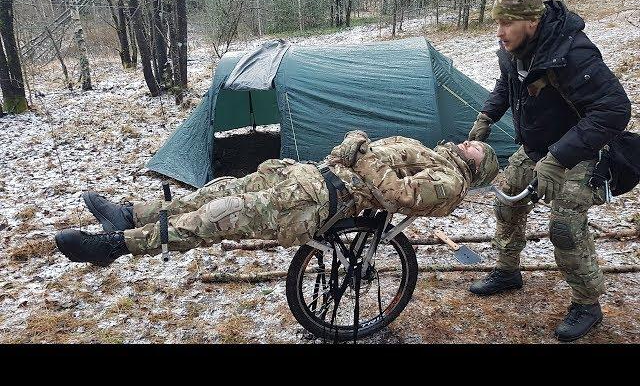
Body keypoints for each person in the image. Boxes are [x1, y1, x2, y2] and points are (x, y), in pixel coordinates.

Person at [56, 131, 498, 268]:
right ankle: (130, 215)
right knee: (219, 190)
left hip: (319, 200)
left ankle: (115, 247)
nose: (470, 142)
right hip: (307, 176)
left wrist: (360, 154)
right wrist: (353, 145)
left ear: (478, 167)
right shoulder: (431, 151)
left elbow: (399, 195)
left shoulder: (449, 181)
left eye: (478, 148)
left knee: (216, 217)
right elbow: (369, 159)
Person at [467, 0, 631, 342]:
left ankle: (587, 303)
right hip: (539, 147)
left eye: (507, 23)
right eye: (497, 22)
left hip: (585, 152)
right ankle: (508, 270)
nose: (499, 31)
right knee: (507, 201)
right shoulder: (513, 50)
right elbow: (505, 84)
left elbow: (615, 109)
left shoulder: (573, 51)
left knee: (564, 226)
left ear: (532, 20)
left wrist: (559, 158)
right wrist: (486, 117)